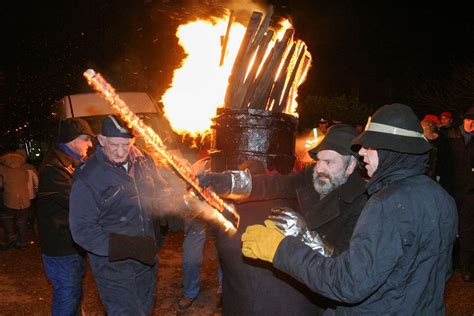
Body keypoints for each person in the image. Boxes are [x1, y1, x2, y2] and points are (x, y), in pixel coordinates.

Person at [241, 103, 458, 314]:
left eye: (371, 146)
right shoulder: (442, 198)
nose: (362, 152)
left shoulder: (386, 204)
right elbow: (439, 272)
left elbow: (349, 282)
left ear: (391, 151)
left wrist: (281, 250)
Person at [199, 124, 368, 314]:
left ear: (351, 165)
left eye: (329, 162)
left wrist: (305, 235)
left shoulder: (364, 205)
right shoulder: (311, 177)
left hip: (324, 300)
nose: (319, 168)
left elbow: (344, 269)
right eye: (318, 160)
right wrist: (222, 182)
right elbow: (274, 184)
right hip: (295, 282)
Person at [69, 115, 170, 315]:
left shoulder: (144, 160)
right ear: (102, 140)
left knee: (144, 310)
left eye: (127, 144)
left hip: (145, 256)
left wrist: (176, 203)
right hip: (112, 264)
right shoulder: (89, 176)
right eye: (115, 144)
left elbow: (159, 191)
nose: (121, 151)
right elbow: (82, 230)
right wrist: (129, 246)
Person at [36, 117, 94, 315]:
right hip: (60, 247)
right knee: (68, 294)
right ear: (73, 140)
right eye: (86, 139)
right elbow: (78, 203)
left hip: (70, 244)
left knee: (74, 293)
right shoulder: (55, 168)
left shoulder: (69, 163)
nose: (90, 144)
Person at [446, 106, 474, 282]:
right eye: (469, 119)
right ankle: (448, 263)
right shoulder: (450, 137)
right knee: (449, 228)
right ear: (463, 120)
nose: (472, 123)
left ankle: (466, 266)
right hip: (450, 191)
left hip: (470, 193)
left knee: (467, 230)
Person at [0, 149, 38, 250]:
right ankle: (23, 243)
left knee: (6, 216)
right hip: (25, 200)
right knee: (22, 221)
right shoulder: (24, 168)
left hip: (10, 200)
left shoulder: (2, 169)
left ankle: (12, 236)